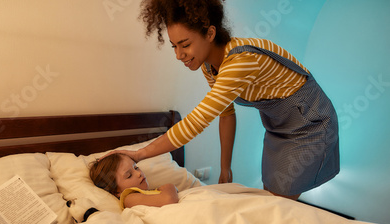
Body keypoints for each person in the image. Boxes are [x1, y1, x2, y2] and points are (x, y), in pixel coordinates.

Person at [108, 0, 339, 201]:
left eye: (185, 44)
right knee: (271, 196)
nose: (179, 55)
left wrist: (139, 154)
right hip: (279, 127)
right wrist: (225, 166)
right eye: (174, 46)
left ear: (210, 34)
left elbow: (196, 122)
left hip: (310, 123)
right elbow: (226, 113)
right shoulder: (209, 66)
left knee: (278, 203)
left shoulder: (240, 60)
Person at [89, 153, 179, 209]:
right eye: (129, 176)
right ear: (116, 192)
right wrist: (169, 187)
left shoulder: (144, 193)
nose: (138, 173)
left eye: (136, 167)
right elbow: (169, 199)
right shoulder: (129, 199)